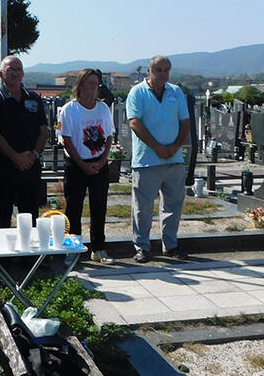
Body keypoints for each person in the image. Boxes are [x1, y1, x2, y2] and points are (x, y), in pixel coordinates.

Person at [126, 55, 190, 263]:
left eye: (166, 70)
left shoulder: (176, 92)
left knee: (173, 204)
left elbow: (185, 123)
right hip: (147, 160)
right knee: (143, 207)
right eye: (158, 70)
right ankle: (142, 247)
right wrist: (158, 147)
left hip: (174, 159)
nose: (163, 74)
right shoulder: (137, 92)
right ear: (149, 72)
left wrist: (174, 147)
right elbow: (135, 123)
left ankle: (169, 245)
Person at [0, 55, 48, 228]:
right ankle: (5, 255)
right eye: (11, 69)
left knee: (30, 216)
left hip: (30, 167)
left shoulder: (33, 98)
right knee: (2, 216)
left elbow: (44, 130)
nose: (16, 73)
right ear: (1, 74)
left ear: (23, 74)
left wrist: (33, 155)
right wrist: (15, 157)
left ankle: (29, 255)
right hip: (3, 168)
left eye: (19, 69)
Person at [59, 69, 115, 264]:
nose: (94, 87)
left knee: (99, 208)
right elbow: (66, 140)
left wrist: (102, 161)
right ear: (81, 85)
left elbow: (108, 136)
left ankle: (98, 248)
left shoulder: (103, 109)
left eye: (96, 84)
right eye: (90, 83)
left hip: (99, 163)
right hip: (76, 165)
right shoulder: (69, 110)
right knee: (73, 208)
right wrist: (82, 164)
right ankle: (73, 250)